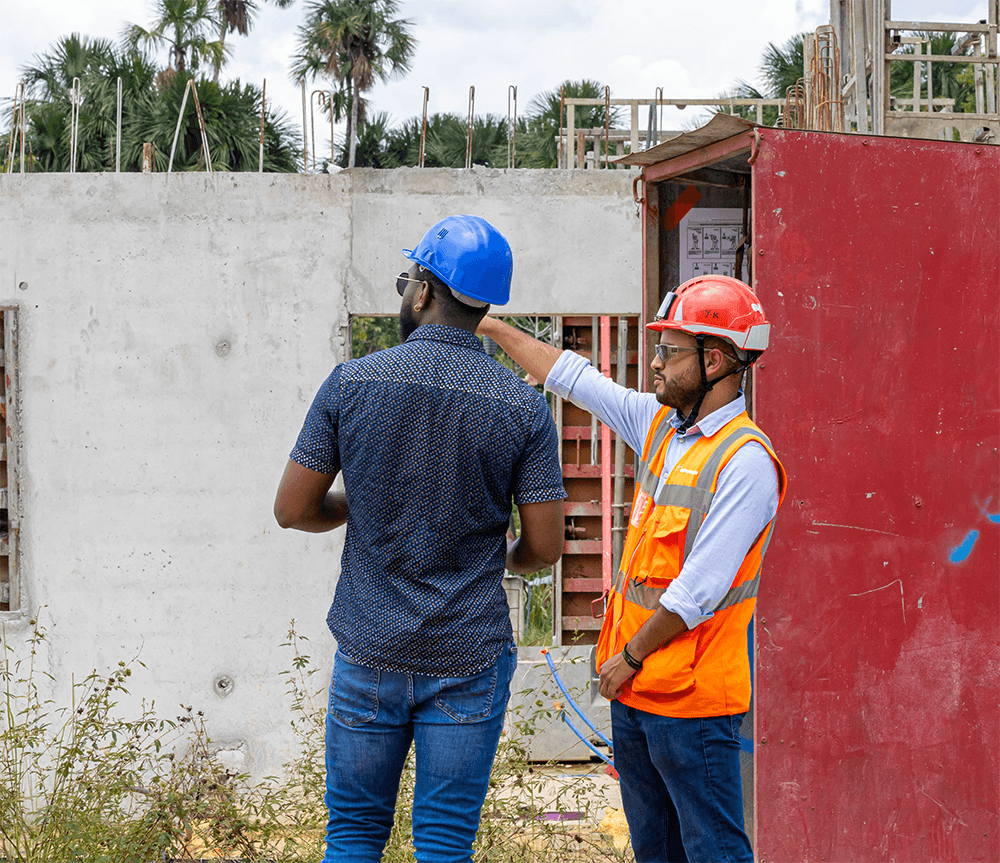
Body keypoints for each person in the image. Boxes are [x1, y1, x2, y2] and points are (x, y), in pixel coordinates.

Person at [273, 214, 566, 863]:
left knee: (351, 834)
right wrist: (505, 555)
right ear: (484, 303)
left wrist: (364, 501)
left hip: (370, 648)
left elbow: (293, 509)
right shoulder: (523, 409)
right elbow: (544, 548)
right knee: (441, 843)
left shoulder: (351, 384)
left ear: (424, 291)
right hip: (468, 658)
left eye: (409, 280)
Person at [478, 275, 787, 863]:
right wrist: (490, 326)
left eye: (669, 353)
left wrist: (628, 657)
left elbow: (699, 590)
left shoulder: (746, 462)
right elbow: (574, 379)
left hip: (691, 701)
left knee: (715, 849)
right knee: (656, 850)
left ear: (714, 360)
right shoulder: (664, 427)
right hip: (639, 694)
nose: (655, 365)